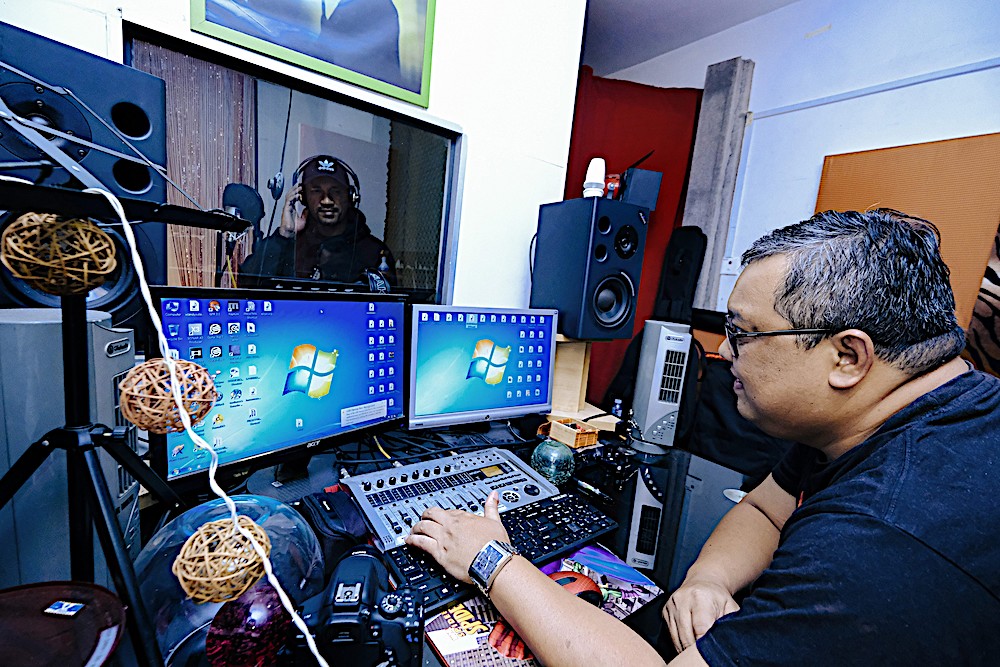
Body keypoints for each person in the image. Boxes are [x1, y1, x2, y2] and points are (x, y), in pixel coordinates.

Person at [405, 209, 1000, 666]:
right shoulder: (900, 414)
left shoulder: (875, 549)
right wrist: (708, 580)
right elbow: (766, 508)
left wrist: (492, 561)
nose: (724, 353)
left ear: (847, 357)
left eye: (743, 334)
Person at [240, 154, 396, 287]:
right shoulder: (289, 246)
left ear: (350, 197)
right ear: (302, 197)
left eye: (336, 191)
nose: (326, 201)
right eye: (316, 191)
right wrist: (284, 235)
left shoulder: (374, 253)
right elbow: (246, 285)